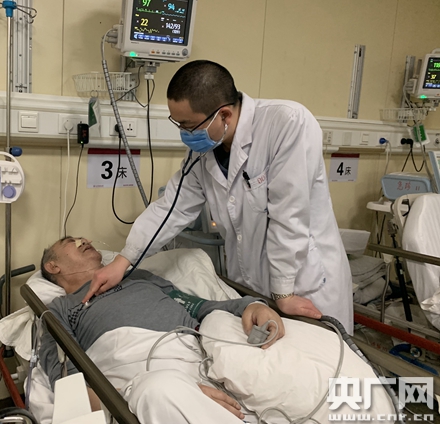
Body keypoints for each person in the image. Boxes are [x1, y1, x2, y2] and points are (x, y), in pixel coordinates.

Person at [83, 60, 353, 332]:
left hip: (302, 284)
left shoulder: (287, 123)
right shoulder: (204, 150)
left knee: (323, 354)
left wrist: (283, 292)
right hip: (251, 284)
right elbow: (172, 207)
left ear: (224, 115)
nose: (185, 134)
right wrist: (123, 261)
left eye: (189, 126)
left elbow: (289, 215)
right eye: (179, 125)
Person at [39, 236, 285, 423]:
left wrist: (251, 305)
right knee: (160, 390)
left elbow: (197, 305)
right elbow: (69, 381)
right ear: (53, 266)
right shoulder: (60, 308)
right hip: (139, 377)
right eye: (71, 241)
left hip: (199, 359)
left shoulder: (138, 277)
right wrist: (130, 398)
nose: (85, 240)